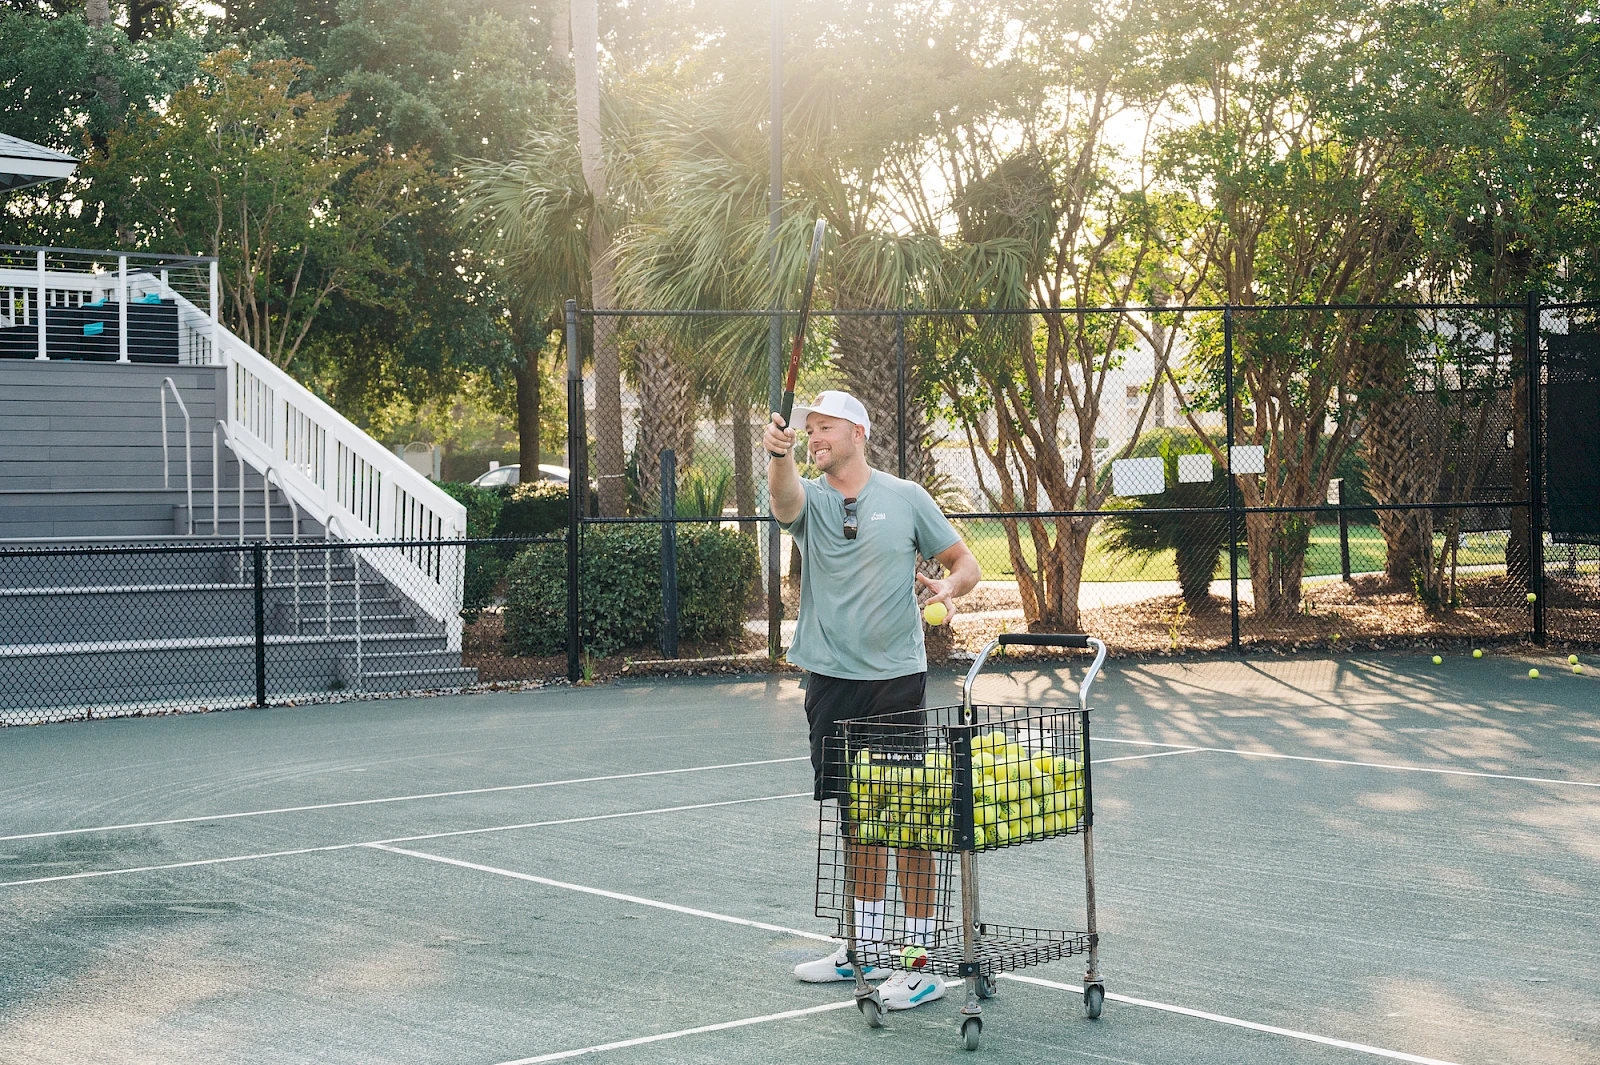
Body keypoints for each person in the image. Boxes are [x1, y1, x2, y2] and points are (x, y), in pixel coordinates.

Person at [764, 390, 981, 1011]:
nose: (815, 438)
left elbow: (964, 562)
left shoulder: (907, 498)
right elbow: (784, 501)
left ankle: (919, 962)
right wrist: (778, 455)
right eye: (808, 432)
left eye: (825, 428)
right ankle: (862, 946)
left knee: (907, 820)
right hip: (828, 682)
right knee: (857, 819)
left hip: (894, 682)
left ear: (858, 431)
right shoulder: (813, 498)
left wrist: (948, 584)